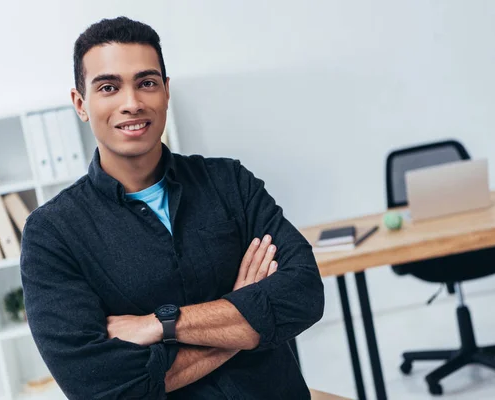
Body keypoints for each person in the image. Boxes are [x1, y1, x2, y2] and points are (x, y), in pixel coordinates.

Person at [20, 16, 324, 400]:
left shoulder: (229, 182)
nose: (131, 103)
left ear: (165, 91)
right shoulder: (52, 234)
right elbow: (103, 388)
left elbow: (303, 295)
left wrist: (160, 325)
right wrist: (243, 319)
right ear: (81, 104)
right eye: (109, 87)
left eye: (146, 83)